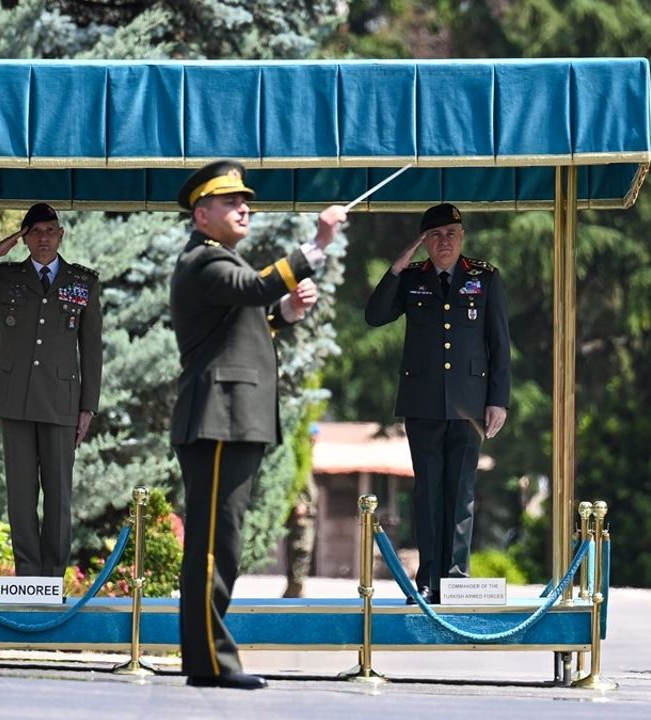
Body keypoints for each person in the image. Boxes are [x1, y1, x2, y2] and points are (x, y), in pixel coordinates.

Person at [170, 160, 345, 690]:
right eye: (230, 201)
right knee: (210, 546)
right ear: (202, 216)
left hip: (232, 420)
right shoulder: (205, 262)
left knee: (222, 542)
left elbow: (249, 319)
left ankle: (207, 661)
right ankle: (211, 662)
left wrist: (287, 314)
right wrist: (317, 244)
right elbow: (255, 286)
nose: (244, 206)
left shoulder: (219, 263)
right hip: (218, 419)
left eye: (245, 199)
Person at [364, 202, 510, 604]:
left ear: (461, 237)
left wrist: (498, 400)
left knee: (461, 491)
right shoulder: (411, 278)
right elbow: (375, 316)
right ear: (424, 241)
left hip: (469, 405)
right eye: (434, 236)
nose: (443, 242)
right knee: (428, 491)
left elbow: (498, 344)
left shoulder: (484, 278)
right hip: (424, 401)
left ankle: (457, 578)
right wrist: (397, 267)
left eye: (450, 234)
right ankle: (428, 580)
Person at [0, 202, 102, 580]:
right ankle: (28, 577)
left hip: (60, 403)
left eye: (50, 230)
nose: (44, 238)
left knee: (58, 497)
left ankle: (51, 579)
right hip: (14, 400)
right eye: (35, 232)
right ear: (25, 237)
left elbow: (92, 348)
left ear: (61, 234)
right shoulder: (8, 277)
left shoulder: (81, 282)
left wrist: (88, 408)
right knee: (20, 497)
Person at [282, 422, 320, 598]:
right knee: (300, 549)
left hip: (307, 515)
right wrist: (300, 502)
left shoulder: (306, 457)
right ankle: (295, 587)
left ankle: (297, 586)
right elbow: (296, 484)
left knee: (304, 550)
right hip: (301, 515)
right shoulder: (298, 457)